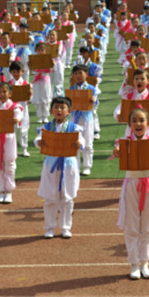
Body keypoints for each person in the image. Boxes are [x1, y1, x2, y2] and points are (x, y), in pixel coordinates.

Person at [112, 108, 149, 280]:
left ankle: (145, 262)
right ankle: (134, 263)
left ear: (148, 123)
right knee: (132, 226)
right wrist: (116, 152)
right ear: (129, 124)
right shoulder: (123, 142)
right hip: (132, 184)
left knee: (148, 226)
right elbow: (116, 150)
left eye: (141, 120)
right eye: (134, 120)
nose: (138, 124)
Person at [35, 96, 85, 239]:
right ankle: (49, 227)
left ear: (68, 111)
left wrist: (79, 144)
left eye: (62, 107)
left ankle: (65, 227)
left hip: (68, 165)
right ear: (51, 110)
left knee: (67, 197)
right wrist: (40, 142)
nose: (59, 110)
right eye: (56, 107)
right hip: (51, 164)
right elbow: (38, 138)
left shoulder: (74, 127)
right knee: (50, 197)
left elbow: (81, 139)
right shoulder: (47, 127)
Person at [69, 64, 98, 176]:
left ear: (86, 74)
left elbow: (96, 105)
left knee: (88, 142)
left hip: (87, 118)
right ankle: (76, 166)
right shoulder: (71, 89)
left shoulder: (91, 88)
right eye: (75, 73)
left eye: (80, 73)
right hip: (74, 118)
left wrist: (93, 101)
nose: (78, 76)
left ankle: (87, 166)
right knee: (75, 143)